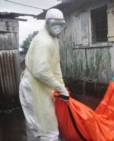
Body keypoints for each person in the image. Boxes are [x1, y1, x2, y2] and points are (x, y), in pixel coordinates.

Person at [19, 8, 69, 141]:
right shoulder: (44, 41)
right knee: (48, 130)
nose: (58, 28)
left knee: (38, 126)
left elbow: (56, 66)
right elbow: (40, 71)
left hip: (40, 84)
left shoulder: (53, 39)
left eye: (61, 25)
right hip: (35, 85)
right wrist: (60, 88)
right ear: (46, 23)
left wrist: (62, 87)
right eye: (54, 24)